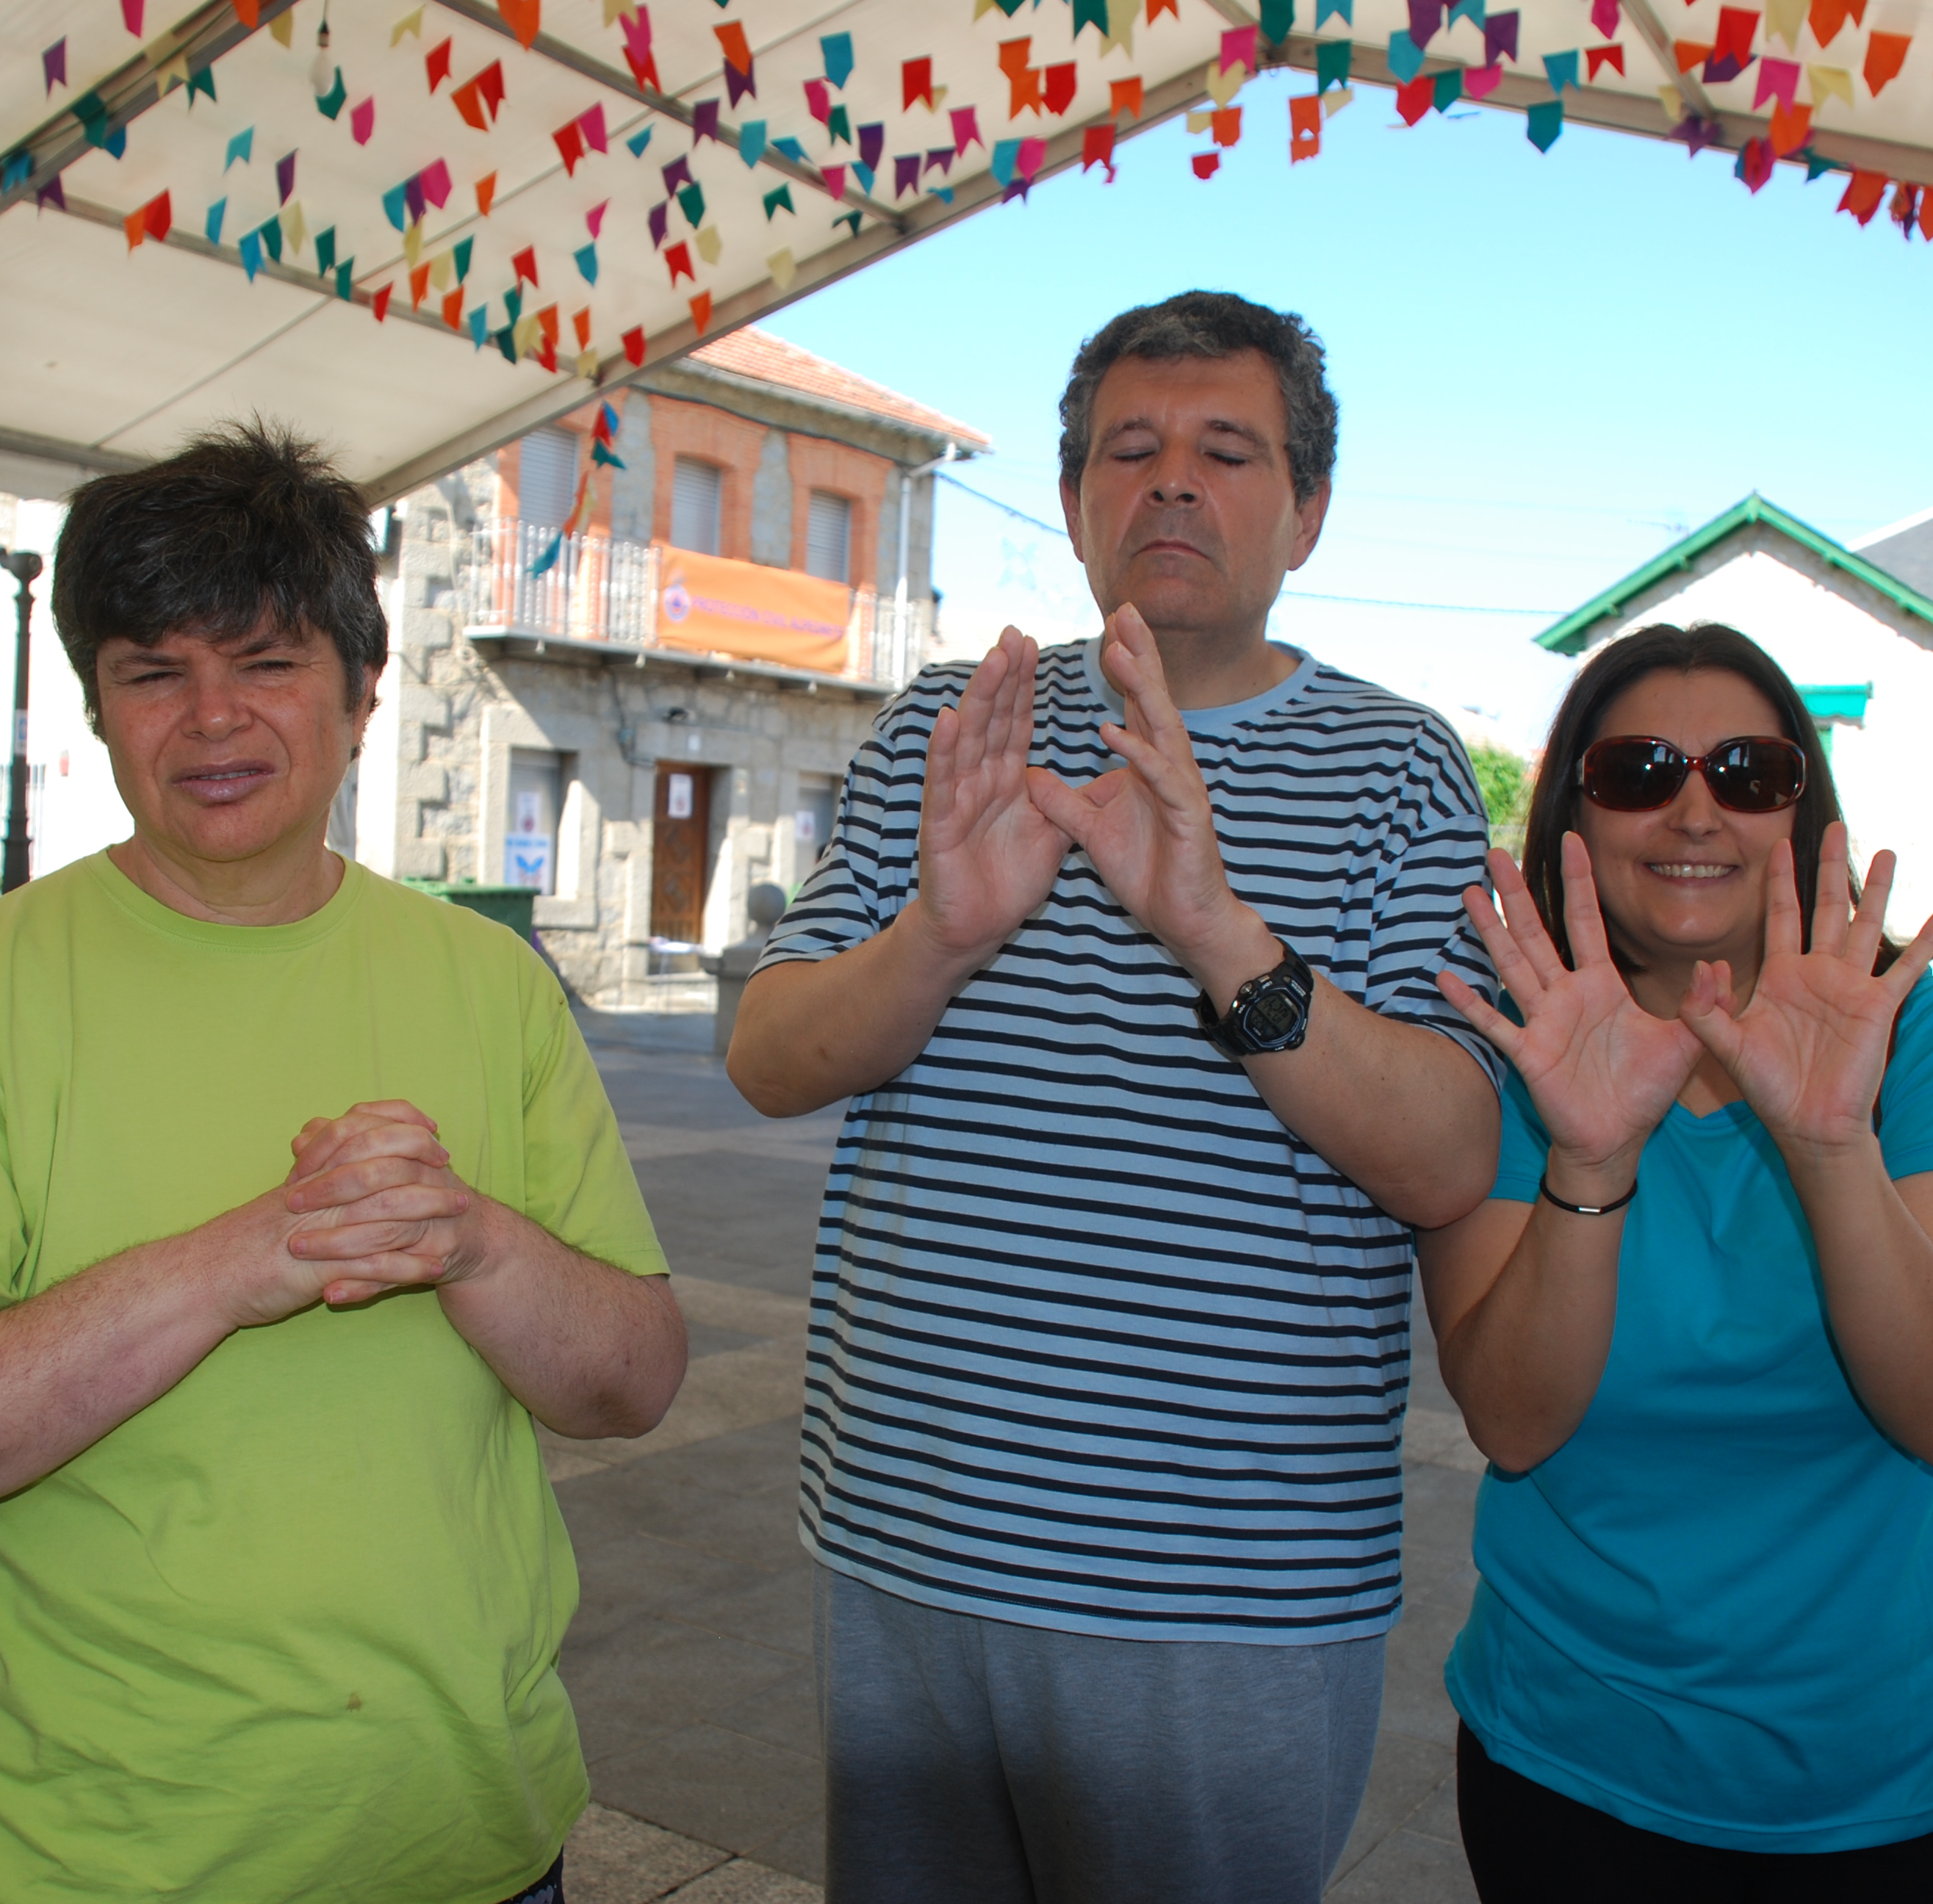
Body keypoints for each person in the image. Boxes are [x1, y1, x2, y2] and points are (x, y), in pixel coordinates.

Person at [0, 425, 687, 1904]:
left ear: (361, 691)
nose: (211, 720)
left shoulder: (490, 983)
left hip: (473, 1842)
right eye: (152, 671)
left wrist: (475, 1242)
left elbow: (631, 1382)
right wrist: (242, 1260)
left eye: (263, 661)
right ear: (97, 707)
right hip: (89, 1861)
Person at [725, 291, 1504, 1903]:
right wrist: (940, 932)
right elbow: (771, 1055)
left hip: (1227, 1594)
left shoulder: (1397, 768)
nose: (1170, 484)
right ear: (1073, 499)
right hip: (907, 1544)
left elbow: (1448, 1157)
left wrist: (1217, 928)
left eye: (1228, 450)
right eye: (1127, 452)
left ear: (1308, 508)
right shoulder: (953, 726)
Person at [1420, 622, 1933, 1902]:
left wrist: (1829, 1143)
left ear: (1801, 810)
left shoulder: (1929, 1047)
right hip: (1570, 1772)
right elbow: (1515, 1420)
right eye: (1641, 769)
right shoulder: (1510, 1057)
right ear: (1575, 817)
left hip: (1907, 1781)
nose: (1695, 808)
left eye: (1748, 772)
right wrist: (1588, 1158)